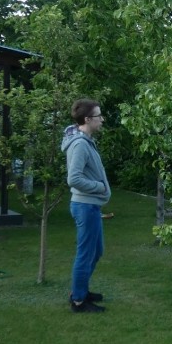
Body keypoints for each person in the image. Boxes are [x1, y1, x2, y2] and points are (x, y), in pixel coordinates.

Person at [61, 98, 111, 313]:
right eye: (99, 116)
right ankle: (79, 301)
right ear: (88, 119)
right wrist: (99, 187)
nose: (102, 119)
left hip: (90, 206)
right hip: (86, 206)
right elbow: (74, 179)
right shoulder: (80, 144)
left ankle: (81, 289)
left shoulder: (85, 139)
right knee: (86, 254)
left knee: (96, 251)